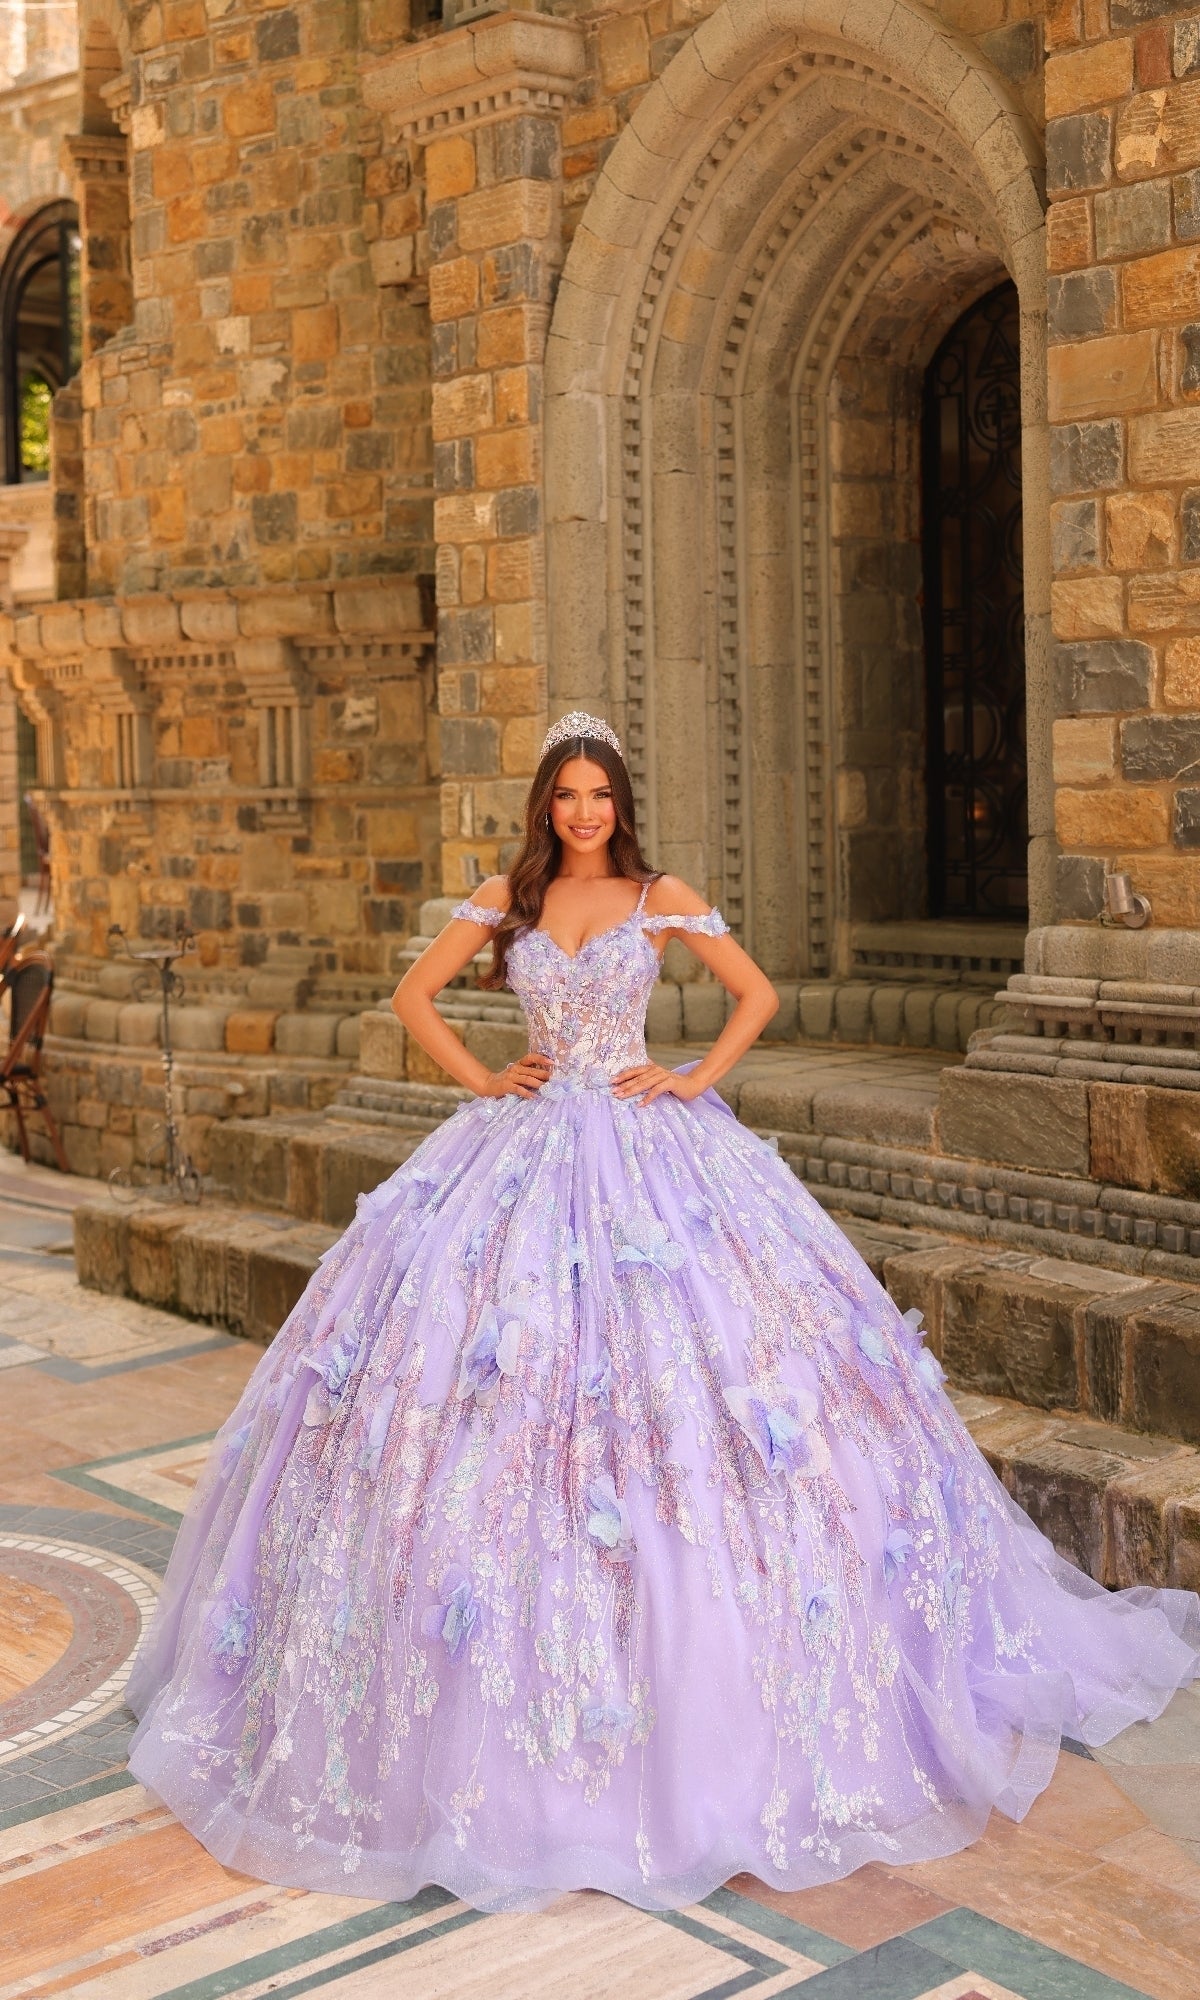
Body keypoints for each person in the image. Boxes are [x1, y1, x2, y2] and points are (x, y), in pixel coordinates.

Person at [127, 713, 1200, 1914]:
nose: (583, 810)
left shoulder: (659, 893)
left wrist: (691, 1078)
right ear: (545, 803)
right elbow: (413, 994)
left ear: (618, 802)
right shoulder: (510, 896)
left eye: (598, 795)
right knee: (480, 1390)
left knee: (708, 1391)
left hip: (651, 1147)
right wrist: (487, 1079)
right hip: (522, 1151)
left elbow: (757, 993)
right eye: (566, 795)